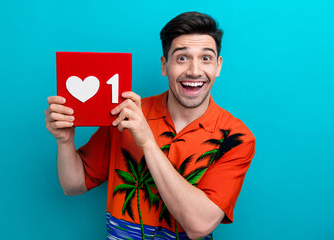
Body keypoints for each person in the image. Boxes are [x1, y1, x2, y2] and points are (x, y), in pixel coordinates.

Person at [45, 11, 255, 240]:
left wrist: (146, 141)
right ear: (165, 65)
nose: (195, 71)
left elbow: (199, 225)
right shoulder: (125, 114)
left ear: (218, 66)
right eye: (182, 58)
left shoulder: (237, 138)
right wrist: (65, 141)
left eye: (206, 58)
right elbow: (73, 185)